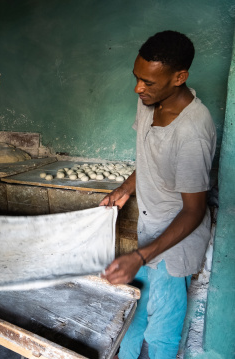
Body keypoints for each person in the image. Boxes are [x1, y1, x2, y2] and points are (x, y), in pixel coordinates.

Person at [99, 31, 216, 359]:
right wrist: (123, 190)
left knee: (161, 329)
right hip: (151, 231)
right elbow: (149, 157)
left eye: (148, 82)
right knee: (137, 312)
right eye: (137, 78)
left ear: (179, 77)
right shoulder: (149, 101)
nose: (138, 88)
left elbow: (193, 211)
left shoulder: (192, 132)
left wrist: (140, 256)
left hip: (176, 243)